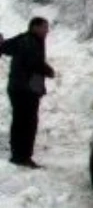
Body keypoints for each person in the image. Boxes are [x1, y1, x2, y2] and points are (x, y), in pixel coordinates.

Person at [0, 17, 56, 168]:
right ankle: (21, 156)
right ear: (35, 27)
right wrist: (48, 70)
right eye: (44, 27)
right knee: (26, 123)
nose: (47, 31)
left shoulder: (24, 39)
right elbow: (33, 62)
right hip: (25, 89)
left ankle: (19, 155)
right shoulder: (29, 42)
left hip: (20, 88)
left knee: (21, 122)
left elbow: (5, 47)